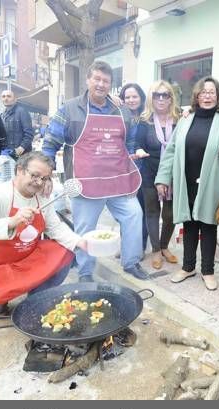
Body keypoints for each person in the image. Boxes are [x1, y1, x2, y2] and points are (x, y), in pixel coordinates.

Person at [43, 61, 148, 281]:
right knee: (85, 228)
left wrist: (134, 160)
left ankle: (130, 262)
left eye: (106, 81)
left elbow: (128, 143)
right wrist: (46, 172)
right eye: (97, 79)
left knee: (134, 215)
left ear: (111, 84)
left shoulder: (121, 110)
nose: (101, 84)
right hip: (85, 183)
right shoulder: (70, 108)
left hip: (118, 180)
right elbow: (51, 141)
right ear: (88, 80)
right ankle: (85, 272)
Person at [0, 151, 87, 314]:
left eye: (44, 178)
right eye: (35, 175)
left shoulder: (42, 198)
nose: (38, 183)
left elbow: (56, 228)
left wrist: (80, 242)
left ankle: (35, 299)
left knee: (66, 251)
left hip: (24, 257)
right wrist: (12, 221)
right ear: (20, 170)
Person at [155, 76, 219, 291]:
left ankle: (208, 271)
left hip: (211, 180)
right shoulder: (186, 119)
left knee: (208, 225)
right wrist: (163, 177)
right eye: (203, 92)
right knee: (189, 224)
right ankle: (188, 267)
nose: (207, 96)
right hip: (186, 179)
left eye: (211, 92)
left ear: (217, 96)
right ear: (197, 96)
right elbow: (171, 151)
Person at [137, 80, 180, 270]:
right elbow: (137, 144)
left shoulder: (180, 120)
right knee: (152, 213)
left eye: (165, 95)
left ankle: (164, 246)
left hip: (173, 175)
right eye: (157, 95)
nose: (161, 99)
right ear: (151, 99)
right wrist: (138, 150)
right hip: (150, 173)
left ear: (171, 98)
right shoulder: (144, 122)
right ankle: (155, 250)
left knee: (170, 215)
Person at [119, 82, 148, 254]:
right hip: (124, 169)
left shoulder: (147, 117)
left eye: (134, 96)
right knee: (125, 209)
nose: (131, 100)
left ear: (141, 98)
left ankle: (140, 247)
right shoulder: (118, 116)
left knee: (142, 210)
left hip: (143, 169)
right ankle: (125, 244)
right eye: (127, 97)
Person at [1, 89, 34, 158]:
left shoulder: (22, 112)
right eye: (3, 96)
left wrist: (22, 147)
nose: (6, 98)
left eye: (9, 96)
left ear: (15, 99)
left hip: (22, 155)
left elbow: (29, 133)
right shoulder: (3, 114)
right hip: (8, 153)